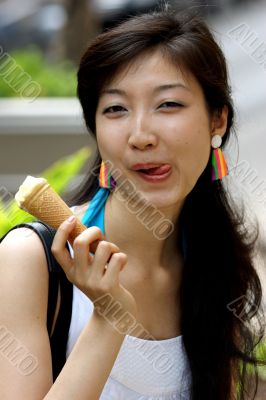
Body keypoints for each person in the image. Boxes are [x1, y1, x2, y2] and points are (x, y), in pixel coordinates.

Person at [0, 7, 265, 400]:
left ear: (217, 121)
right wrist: (108, 318)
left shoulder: (214, 261)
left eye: (168, 105)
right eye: (116, 109)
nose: (140, 136)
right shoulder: (30, 261)